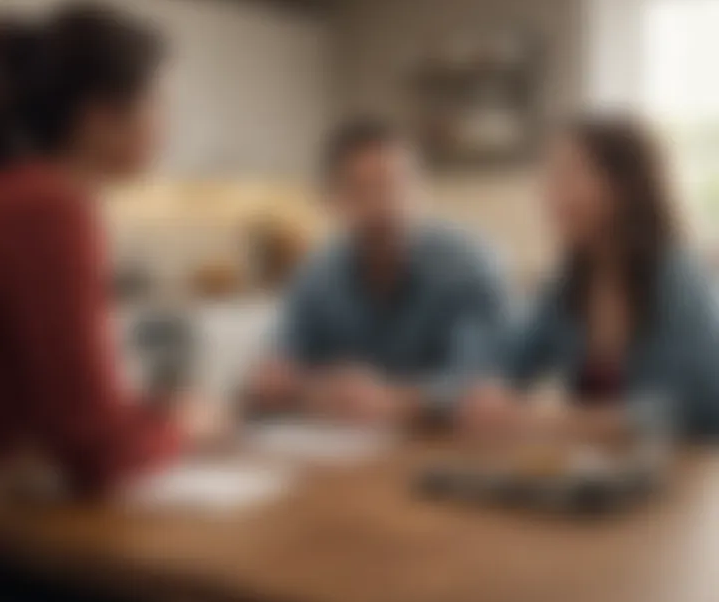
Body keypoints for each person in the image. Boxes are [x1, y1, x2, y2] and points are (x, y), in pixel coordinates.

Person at [0, 4, 218, 602]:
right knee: (142, 600)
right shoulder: (48, 208)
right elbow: (96, 453)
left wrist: (137, 420)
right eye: (159, 105)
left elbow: (59, 425)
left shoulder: (19, 193)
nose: (167, 127)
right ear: (100, 116)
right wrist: (183, 423)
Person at [462, 116, 719, 443]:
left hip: (690, 479)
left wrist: (562, 422)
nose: (549, 194)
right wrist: (490, 388)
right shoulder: (567, 282)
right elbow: (511, 359)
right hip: (600, 477)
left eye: (568, 175)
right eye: (550, 177)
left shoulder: (678, 278)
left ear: (622, 188)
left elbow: (696, 409)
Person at [247, 118, 510, 427]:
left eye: (398, 184)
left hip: (447, 451)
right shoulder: (318, 275)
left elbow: (480, 380)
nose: (385, 204)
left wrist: (391, 399)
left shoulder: (467, 265)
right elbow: (277, 366)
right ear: (334, 200)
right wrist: (301, 386)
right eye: (364, 189)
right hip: (346, 455)